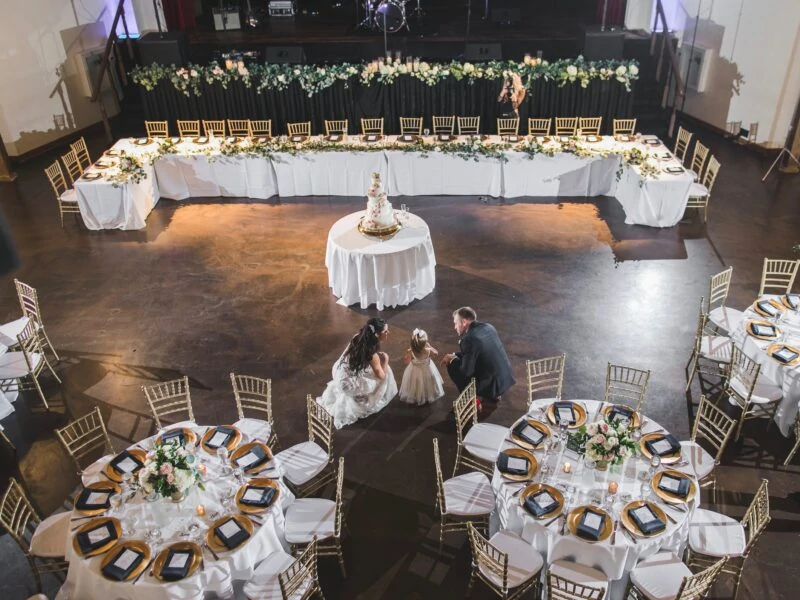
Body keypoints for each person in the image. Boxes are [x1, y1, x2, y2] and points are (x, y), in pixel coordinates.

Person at [317, 318, 398, 429]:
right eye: (385, 331)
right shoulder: (371, 354)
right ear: (377, 335)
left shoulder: (357, 337)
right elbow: (381, 375)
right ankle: (356, 396)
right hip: (346, 384)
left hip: (337, 370)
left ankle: (353, 387)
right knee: (386, 372)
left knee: (371, 370)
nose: (388, 333)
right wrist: (386, 359)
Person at [441, 307, 515, 409]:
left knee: (452, 364)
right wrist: (456, 355)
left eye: (455, 323)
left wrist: (453, 359)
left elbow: (466, 372)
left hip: (491, 385)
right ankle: (494, 396)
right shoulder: (489, 327)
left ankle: (469, 400)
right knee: (456, 360)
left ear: (464, 322)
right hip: (504, 379)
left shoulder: (469, 339)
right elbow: (477, 353)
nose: (454, 327)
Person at [399, 328, 445, 406]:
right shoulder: (427, 349)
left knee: (416, 383)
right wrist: (430, 348)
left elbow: (406, 361)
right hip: (427, 368)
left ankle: (416, 396)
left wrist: (408, 357)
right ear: (424, 342)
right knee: (428, 382)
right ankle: (428, 395)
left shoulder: (411, 350)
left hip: (414, 370)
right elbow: (436, 353)